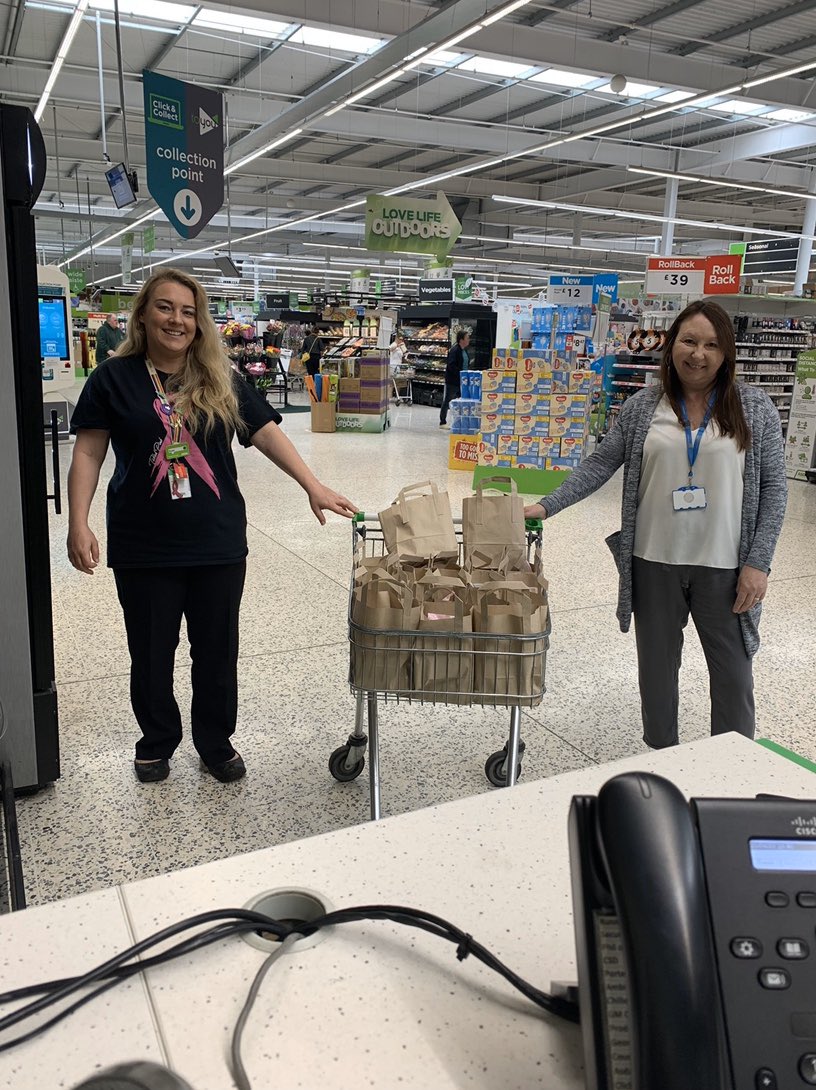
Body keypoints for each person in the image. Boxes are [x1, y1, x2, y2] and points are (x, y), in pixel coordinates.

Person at [67, 269, 357, 785]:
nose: (176, 320)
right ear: (143, 314)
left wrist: (311, 484)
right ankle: (156, 741)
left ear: (199, 323)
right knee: (151, 651)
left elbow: (265, 433)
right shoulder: (112, 378)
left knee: (217, 649)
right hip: (143, 541)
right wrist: (79, 522)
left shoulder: (220, 377)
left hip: (216, 540)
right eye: (164, 307)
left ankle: (215, 742)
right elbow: (89, 450)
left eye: (187, 311)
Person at [524, 299, 787, 748]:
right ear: (670, 345)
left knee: (733, 675)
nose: (697, 354)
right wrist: (546, 507)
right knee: (657, 673)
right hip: (653, 561)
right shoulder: (645, 406)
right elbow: (599, 465)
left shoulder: (754, 408)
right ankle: (662, 756)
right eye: (688, 340)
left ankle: (735, 763)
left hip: (725, 566)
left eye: (711, 344)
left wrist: (758, 563)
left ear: (726, 353)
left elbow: (775, 489)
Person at [440, 328, 469, 428]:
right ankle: (442, 422)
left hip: (462, 381)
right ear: (461, 340)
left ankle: (458, 422)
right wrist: (460, 374)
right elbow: (451, 366)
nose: (468, 340)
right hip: (453, 380)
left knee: (460, 402)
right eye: (467, 338)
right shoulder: (455, 350)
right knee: (448, 400)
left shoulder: (463, 350)